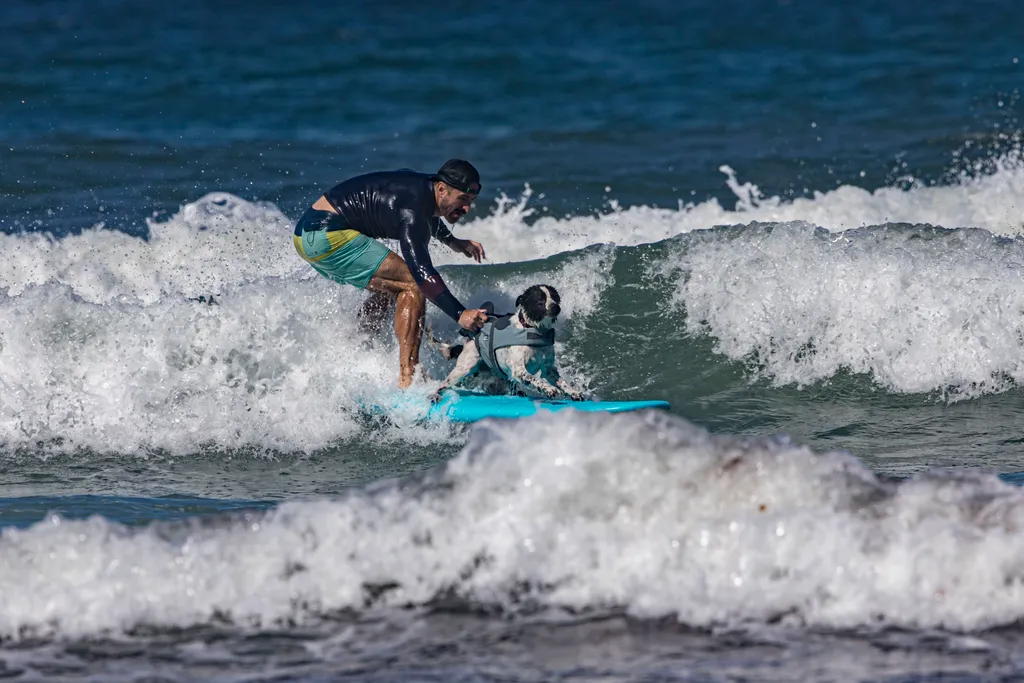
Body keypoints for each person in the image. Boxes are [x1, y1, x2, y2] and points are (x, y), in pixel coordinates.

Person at [292, 159, 490, 388]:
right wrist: (460, 314)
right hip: (326, 235)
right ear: (442, 189)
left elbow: (430, 215)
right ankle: (410, 377)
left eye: (471, 201)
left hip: (307, 236)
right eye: (463, 200)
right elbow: (422, 273)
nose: (467, 209)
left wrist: (453, 241)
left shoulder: (425, 188)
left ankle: (358, 347)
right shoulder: (412, 210)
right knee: (412, 284)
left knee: (395, 286)